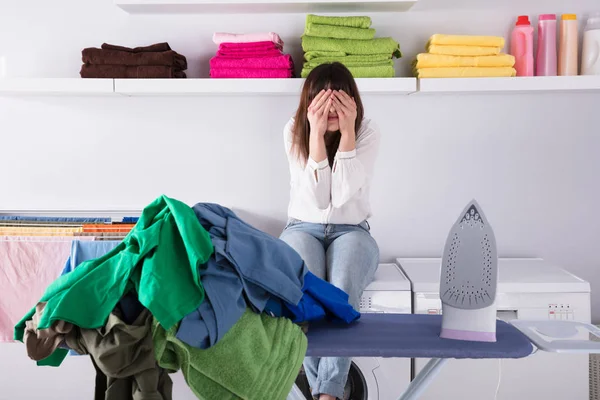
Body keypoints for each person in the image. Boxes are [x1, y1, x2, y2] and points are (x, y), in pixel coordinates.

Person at [280, 62, 380, 400]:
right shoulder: (294, 130)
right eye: (324, 102)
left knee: (340, 290)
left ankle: (327, 393)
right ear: (310, 103)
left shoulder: (367, 132)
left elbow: (342, 195)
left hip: (352, 231)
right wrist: (316, 136)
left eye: (340, 101)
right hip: (301, 228)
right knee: (307, 289)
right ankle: (321, 387)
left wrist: (349, 134)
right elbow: (321, 198)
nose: (332, 110)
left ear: (352, 101)